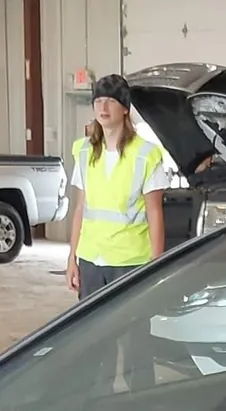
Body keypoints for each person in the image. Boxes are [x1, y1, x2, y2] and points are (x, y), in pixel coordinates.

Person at [66, 74, 168, 300]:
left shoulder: (146, 154)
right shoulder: (84, 151)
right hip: (91, 259)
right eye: (98, 101)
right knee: (92, 322)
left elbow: (155, 213)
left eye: (111, 101)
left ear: (124, 109)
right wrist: (72, 257)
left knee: (130, 322)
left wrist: (156, 265)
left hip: (130, 261)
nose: (103, 107)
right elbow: (80, 209)